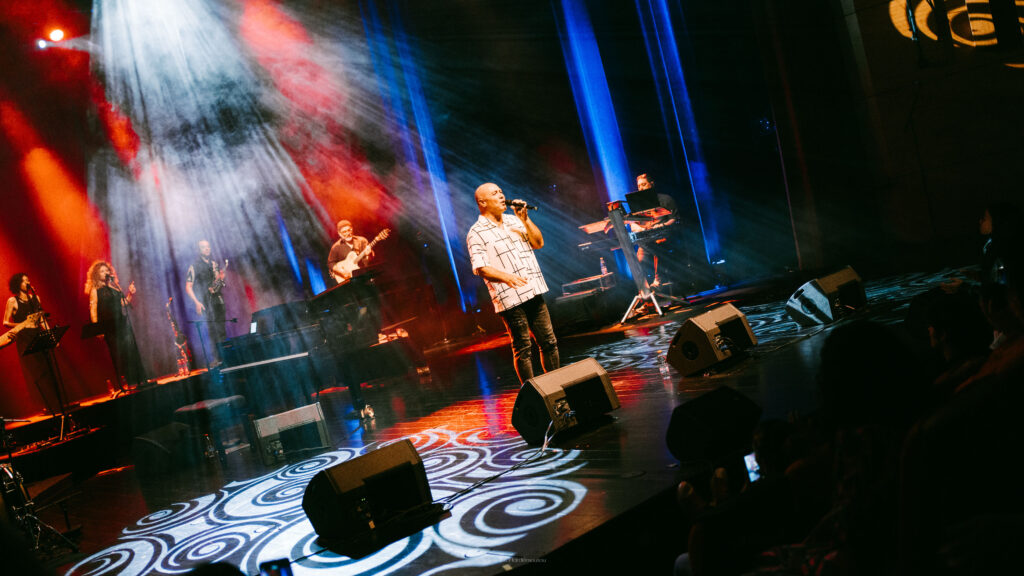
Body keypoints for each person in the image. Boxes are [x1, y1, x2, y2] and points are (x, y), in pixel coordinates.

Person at [467, 182, 559, 384]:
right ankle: (532, 394)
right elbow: (480, 267)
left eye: (501, 192)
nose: (501, 196)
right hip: (509, 298)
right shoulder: (476, 233)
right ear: (482, 202)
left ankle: (555, 387)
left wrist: (525, 219)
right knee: (523, 348)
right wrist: (507, 277)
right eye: (495, 193)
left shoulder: (514, 221)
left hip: (533, 289)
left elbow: (538, 243)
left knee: (549, 342)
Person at [85, 260, 146, 388]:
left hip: (122, 323)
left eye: (106, 270)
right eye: (102, 271)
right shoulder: (95, 290)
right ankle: (127, 383)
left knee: (130, 350)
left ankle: (139, 380)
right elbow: (93, 310)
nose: (105, 272)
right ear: (96, 274)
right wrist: (98, 329)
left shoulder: (114, 287)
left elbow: (123, 303)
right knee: (119, 354)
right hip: (109, 327)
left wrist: (130, 293)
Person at [3, 273, 58, 413]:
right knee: (36, 371)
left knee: (48, 368)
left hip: (38, 335)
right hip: (24, 338)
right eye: (24, 281)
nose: (27, 282)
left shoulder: (35, 298)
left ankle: (55, 402)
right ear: (18, 284)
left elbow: (42, 320)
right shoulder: (12, 301)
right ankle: (44, 405)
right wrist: (23, 324)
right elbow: (5, 322)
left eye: (28, 280)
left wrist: (52, 337)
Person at [185, 240, 227, 364]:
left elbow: (218, 283)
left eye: (208, 246)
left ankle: (226, 358)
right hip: (206, 302)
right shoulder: (194, 266)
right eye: (204, 247)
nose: (207, 249)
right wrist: (197, 302)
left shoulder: (214, 264)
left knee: (222, 330)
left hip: (218, 301)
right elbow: (188, 286)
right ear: (199, 250)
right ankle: (217, 359)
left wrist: (220, 279)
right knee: (213, 331)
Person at [633, 173, 678, 288]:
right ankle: (644, 291)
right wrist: (639, 228)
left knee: (658, 244)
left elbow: (675, 219)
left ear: (651, 184)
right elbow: (633, 223)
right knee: (637, 262)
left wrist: (662, 225)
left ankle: (658, 281)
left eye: (644, 184)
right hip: (646, 241)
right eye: (639, 186)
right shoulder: (638, 204)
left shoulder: (666, 199)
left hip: (663, 237)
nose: (641, 188)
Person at [328, 219, 374, 284]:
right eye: (344, 232)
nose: (348, 233)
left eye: (349, 230)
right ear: (339, 234)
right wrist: (341, 271)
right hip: (350, 281)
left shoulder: (362, 241)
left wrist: (367, 255)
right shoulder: (336, 247)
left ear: (352, 229)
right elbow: (330, 263)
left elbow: (370, 261)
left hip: (366, 277)